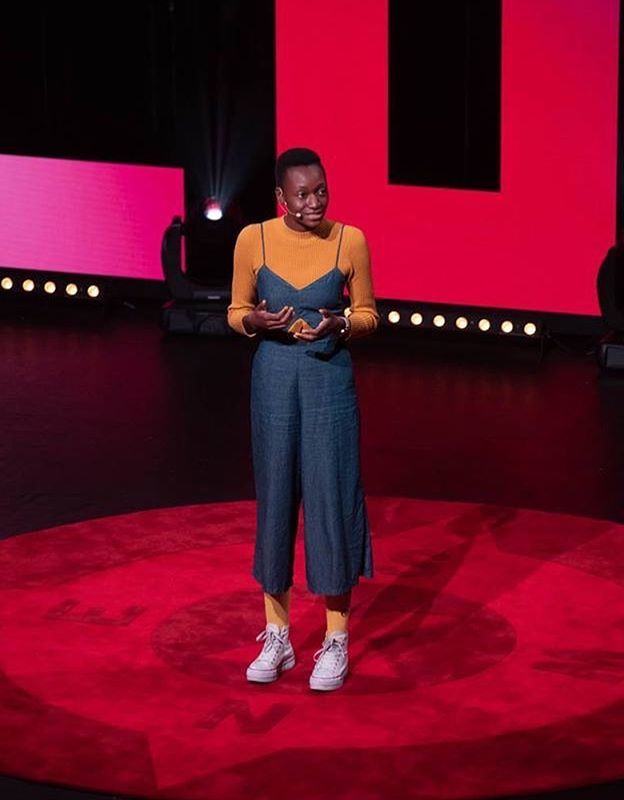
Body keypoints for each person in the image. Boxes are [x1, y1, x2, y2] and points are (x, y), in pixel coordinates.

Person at [227, 147, 379, 691]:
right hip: (272, 377)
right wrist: (255, 319)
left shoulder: (349, 239)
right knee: (274, 501)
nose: (314, 202)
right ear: (281, 199)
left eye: (321, 192)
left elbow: (369, 315)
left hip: (328, 379)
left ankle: (336, 640)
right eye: (303, 195)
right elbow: (234, 311)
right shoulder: (254, 239)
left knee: (331, 499)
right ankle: (278, 635)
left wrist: (339, 324)